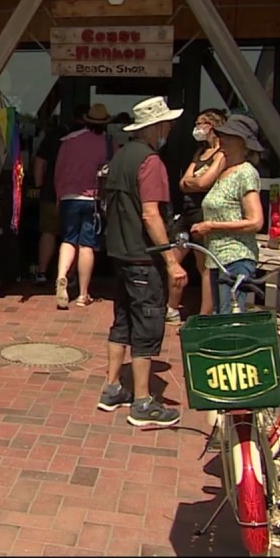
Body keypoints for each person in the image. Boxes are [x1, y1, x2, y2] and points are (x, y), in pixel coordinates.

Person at [97, 96, 187, 428]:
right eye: (167, 124)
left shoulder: (119, 156)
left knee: (122, 320)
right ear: (156, 127)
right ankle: (142, 400)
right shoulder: (150, 162)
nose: (169, 129)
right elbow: (151, 213)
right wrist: (170, 260)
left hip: (119, 252)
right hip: (141, 256)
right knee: (147, 325)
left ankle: (112, 387)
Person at [191, 114, 265, 314]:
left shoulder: (245, 173)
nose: (222, 140)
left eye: (229, 137)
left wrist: (211, 226)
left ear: (243, 144)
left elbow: (255, 221)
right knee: (219, 315)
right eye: (221, 135)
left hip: (236, 257)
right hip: (217, 258)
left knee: (227, 316)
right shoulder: (224, 171)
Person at [169, 109, 229, 319]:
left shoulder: (222, 154)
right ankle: (171, 307)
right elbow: (183, 183)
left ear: (212, 126)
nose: (197, 129)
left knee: (203, 264)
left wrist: (193, 183)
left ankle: (204, 314)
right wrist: (192, 183)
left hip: (204, 213)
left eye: (200, 124)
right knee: (174, 256)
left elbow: (204, 182)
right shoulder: (199, 153)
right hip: (186, 211)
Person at [53, 103, 113, 309]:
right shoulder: (107, 143)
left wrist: (58, 196)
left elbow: (58, 171)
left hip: (69, 196)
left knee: (68, 240)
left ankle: (62, 276)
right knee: (87, 245)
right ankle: (83, 294)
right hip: (92, 199)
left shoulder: (69, 141)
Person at [32, 117, 68, 284]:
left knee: (48, 232)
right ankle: (69, 276)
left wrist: (39, 185)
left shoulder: (52, 137)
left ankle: (42, 272)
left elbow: (39, 162)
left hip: (50, 192)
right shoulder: (84, 139)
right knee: (73, 237)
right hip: (74, 193)